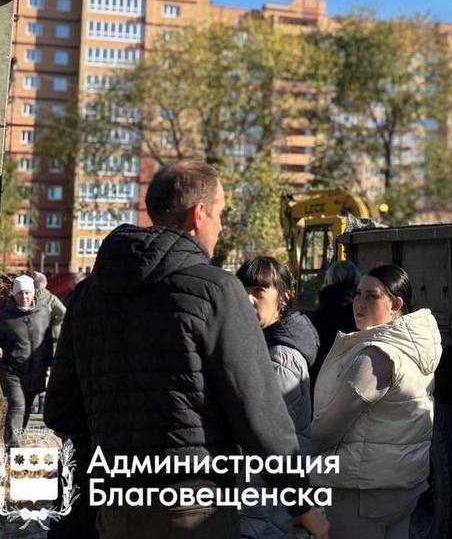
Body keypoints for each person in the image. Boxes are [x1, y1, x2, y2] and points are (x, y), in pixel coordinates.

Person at [44, 160, 329, 539]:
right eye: (221, 214)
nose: (221, 226)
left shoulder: (87, 295)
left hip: (113, 506)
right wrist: (302, 502)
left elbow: (62, 411)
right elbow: (259, 414)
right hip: (193, 507)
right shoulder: (216, 291)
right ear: (199, 214)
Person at [311, 264, 442, 539]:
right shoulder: (414, 346)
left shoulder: (376, 356)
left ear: (396, 304)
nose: (359, 303)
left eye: (372, 296)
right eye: (358, 294)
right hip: (401, 485)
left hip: (362, 489)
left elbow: (327, 428)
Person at [237, 256, 320, 539]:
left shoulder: (280, 358)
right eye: (243, 291)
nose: (248, 300)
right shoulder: (261, 345)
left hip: (263, 502)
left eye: (259, 292)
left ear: (283, 298)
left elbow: (264, 437)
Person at [0, 275, 58, 446]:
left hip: (35, 370)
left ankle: (17, 441)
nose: (24, 297)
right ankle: (11, 449)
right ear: (14, 295)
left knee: (26, 407)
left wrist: (57, 339)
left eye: (27, 293)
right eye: (20, 294)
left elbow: (61, 319)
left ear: (33, 293)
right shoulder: (6, 315)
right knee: (17, 405)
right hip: (11, 369)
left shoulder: (43, 312)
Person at [308, 260, 360, 386]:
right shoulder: (361, 313)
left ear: (328, 279)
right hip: (355, 384)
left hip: (320, 385)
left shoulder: (315, 317)